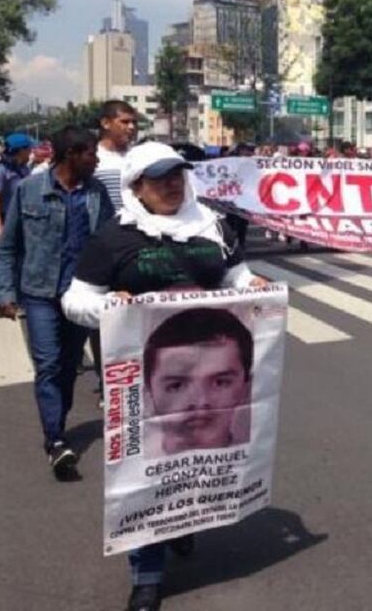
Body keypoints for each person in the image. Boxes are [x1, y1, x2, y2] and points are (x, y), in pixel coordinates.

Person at [61, 141, 268, 611]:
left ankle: (184, 520)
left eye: (177, 175)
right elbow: (74, 300)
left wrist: (250, 285)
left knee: (196, 462)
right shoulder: (115, 237)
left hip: (213, 375)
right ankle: (147, 576)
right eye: (160, 178)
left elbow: (234, 275)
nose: (173, 184)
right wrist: (109, 307)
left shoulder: (211, 225)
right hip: (147, 377)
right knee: (146, 468)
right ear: (136, 187)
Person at [0, 126, 115, 479]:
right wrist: (5, 293)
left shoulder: (96, 192)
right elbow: (10, 246)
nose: (96, 159)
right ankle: (55, 441)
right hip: (39, 293)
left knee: (66, 368)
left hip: (81, 294)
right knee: (47, 364)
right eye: (90, 153)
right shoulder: (29, 189)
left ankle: (56, 421)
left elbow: (108, 242)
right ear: (70, 155)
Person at [143, 308, 253, 457]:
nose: (200, 401)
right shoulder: (129, 470)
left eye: (220, 382)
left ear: (246, 388)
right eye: (176, 386)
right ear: (149, 394)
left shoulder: (257, 460)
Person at [0, 133, 37, 316]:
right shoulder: (0, 170)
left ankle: (20, 300)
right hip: (4, 218)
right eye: (28, 149)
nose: (31, 152)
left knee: (23, 260)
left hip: (22, 219)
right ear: (20, 151)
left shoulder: (24, 169)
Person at [95, 99, 139, 211]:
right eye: (125, 122)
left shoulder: (138, 156)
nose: (131, 127)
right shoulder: (92, 157)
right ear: (106, 123)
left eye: (134, 122)